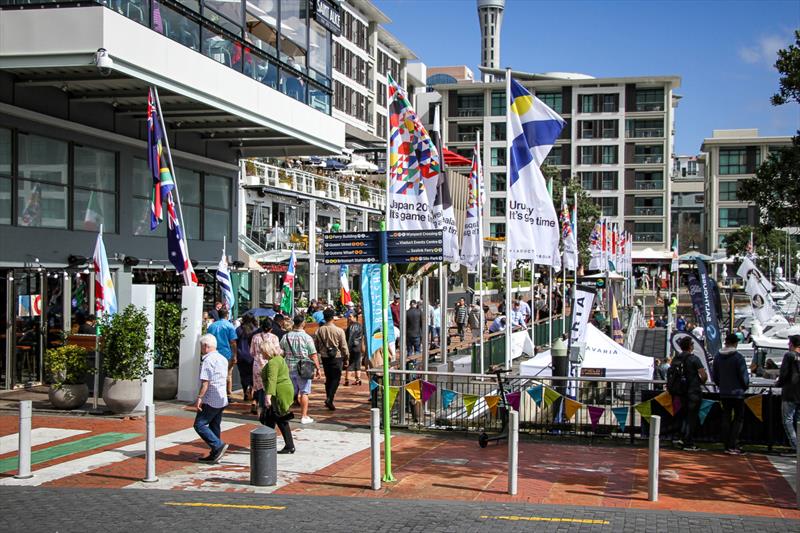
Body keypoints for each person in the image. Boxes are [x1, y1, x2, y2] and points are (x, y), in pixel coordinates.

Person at [193, 334, 229, 464]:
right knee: (215, 424)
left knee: (199, 424)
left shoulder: (208, 360)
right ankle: (215, 451)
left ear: (206, 346)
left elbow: (205, 382)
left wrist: (199, 397)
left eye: (201, 346)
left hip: (211, 398)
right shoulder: (222, 358)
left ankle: (217, 445)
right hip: (221, 397)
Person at [669, 336, 708, 451]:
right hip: (693, 391)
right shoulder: (694, 359)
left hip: (679, 392)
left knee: (681, 416)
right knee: (692, 418)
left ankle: (680, 437)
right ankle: (689, 442)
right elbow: (703, 375)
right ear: (691, 346)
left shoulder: (676, 359)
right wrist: (700, 382)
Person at [713, 333, 750, 455]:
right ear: (736, 343)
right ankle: (733, 443)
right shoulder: (738, 357)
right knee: (738, 418)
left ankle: (726, 444)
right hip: (737, 392)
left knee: (726, 417)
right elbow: (744, 376)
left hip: (724, 392)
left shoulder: (717, 357)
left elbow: (715, 376)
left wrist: (721, 385)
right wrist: (744, 387)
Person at [280, 315, 320, 424]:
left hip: (288, 367)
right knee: (304, 392)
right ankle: (304, 416)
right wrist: (318, 368)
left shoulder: (286, 336)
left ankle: (285, 413)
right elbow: (313, 354)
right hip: (303, 368)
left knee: (288, 392)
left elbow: (281, 352)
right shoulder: (307, 337)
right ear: (303, 324)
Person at [260, 337, 296, 454]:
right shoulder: (279, 358)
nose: (261, 354)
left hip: (279, 392)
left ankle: (288, 446)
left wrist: (268, 396)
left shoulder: (273, 363)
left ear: (266, 351)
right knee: (271, 418)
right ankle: (267, 444)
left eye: (262, 352)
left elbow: (272, 380)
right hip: (283, 390)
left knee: (280, 419)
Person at [314, 309, 349, 411]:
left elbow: (316, 345)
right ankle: (330, 398)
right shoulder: (339, 330)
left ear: (324, 317)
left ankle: (328, 398)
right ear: (333, 317)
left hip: (325, 357)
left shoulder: (319, 330)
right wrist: (346, 358)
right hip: (336, 357)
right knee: (336, 379)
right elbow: (344, 347)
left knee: (328, 378)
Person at [251, 317, 282, 415]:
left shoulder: (255, 337)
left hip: (257, 365)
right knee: (270, 386)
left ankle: (261, 410)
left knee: (260, 388)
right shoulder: (274, 338)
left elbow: (251, 352)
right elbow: (277, 352)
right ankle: (270, 409)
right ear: (271, 328)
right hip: (270, 364)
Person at [776, 334, 800, 452]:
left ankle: (796, 446)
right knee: (798, 421)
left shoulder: (789, 355)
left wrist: (778, 383)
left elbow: (784, 374)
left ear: (792, 344)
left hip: (790, 392)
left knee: (788, 420)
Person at [206, 308, 237, 399]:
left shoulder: (212, 326)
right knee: (227, 374)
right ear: (227, 315)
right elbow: (233, 342)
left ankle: (214, 393)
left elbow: (208, 339)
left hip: (213, 353)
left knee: (214, 374)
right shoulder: (229, 326)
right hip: (226, 354)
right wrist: (235, 355)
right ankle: (227, 394)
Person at [235, 314, 258, 403]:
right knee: (252, 375)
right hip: (252, 356)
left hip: (241, 355)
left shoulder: (238, 330)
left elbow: (235, 342)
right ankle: (251, 389)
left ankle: (245, 392)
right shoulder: (255, 330)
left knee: (243, 375)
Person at [344, 313, 363, 386]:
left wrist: (347, 349)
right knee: (357, 363)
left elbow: (350, 339)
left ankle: (347, 380)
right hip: (358, 347)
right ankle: (358, 379)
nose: (348, 318)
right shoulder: (360, 326)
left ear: (355, 317)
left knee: (350, 363)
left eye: (350, 316)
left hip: (352, 347)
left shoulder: (352, 326)